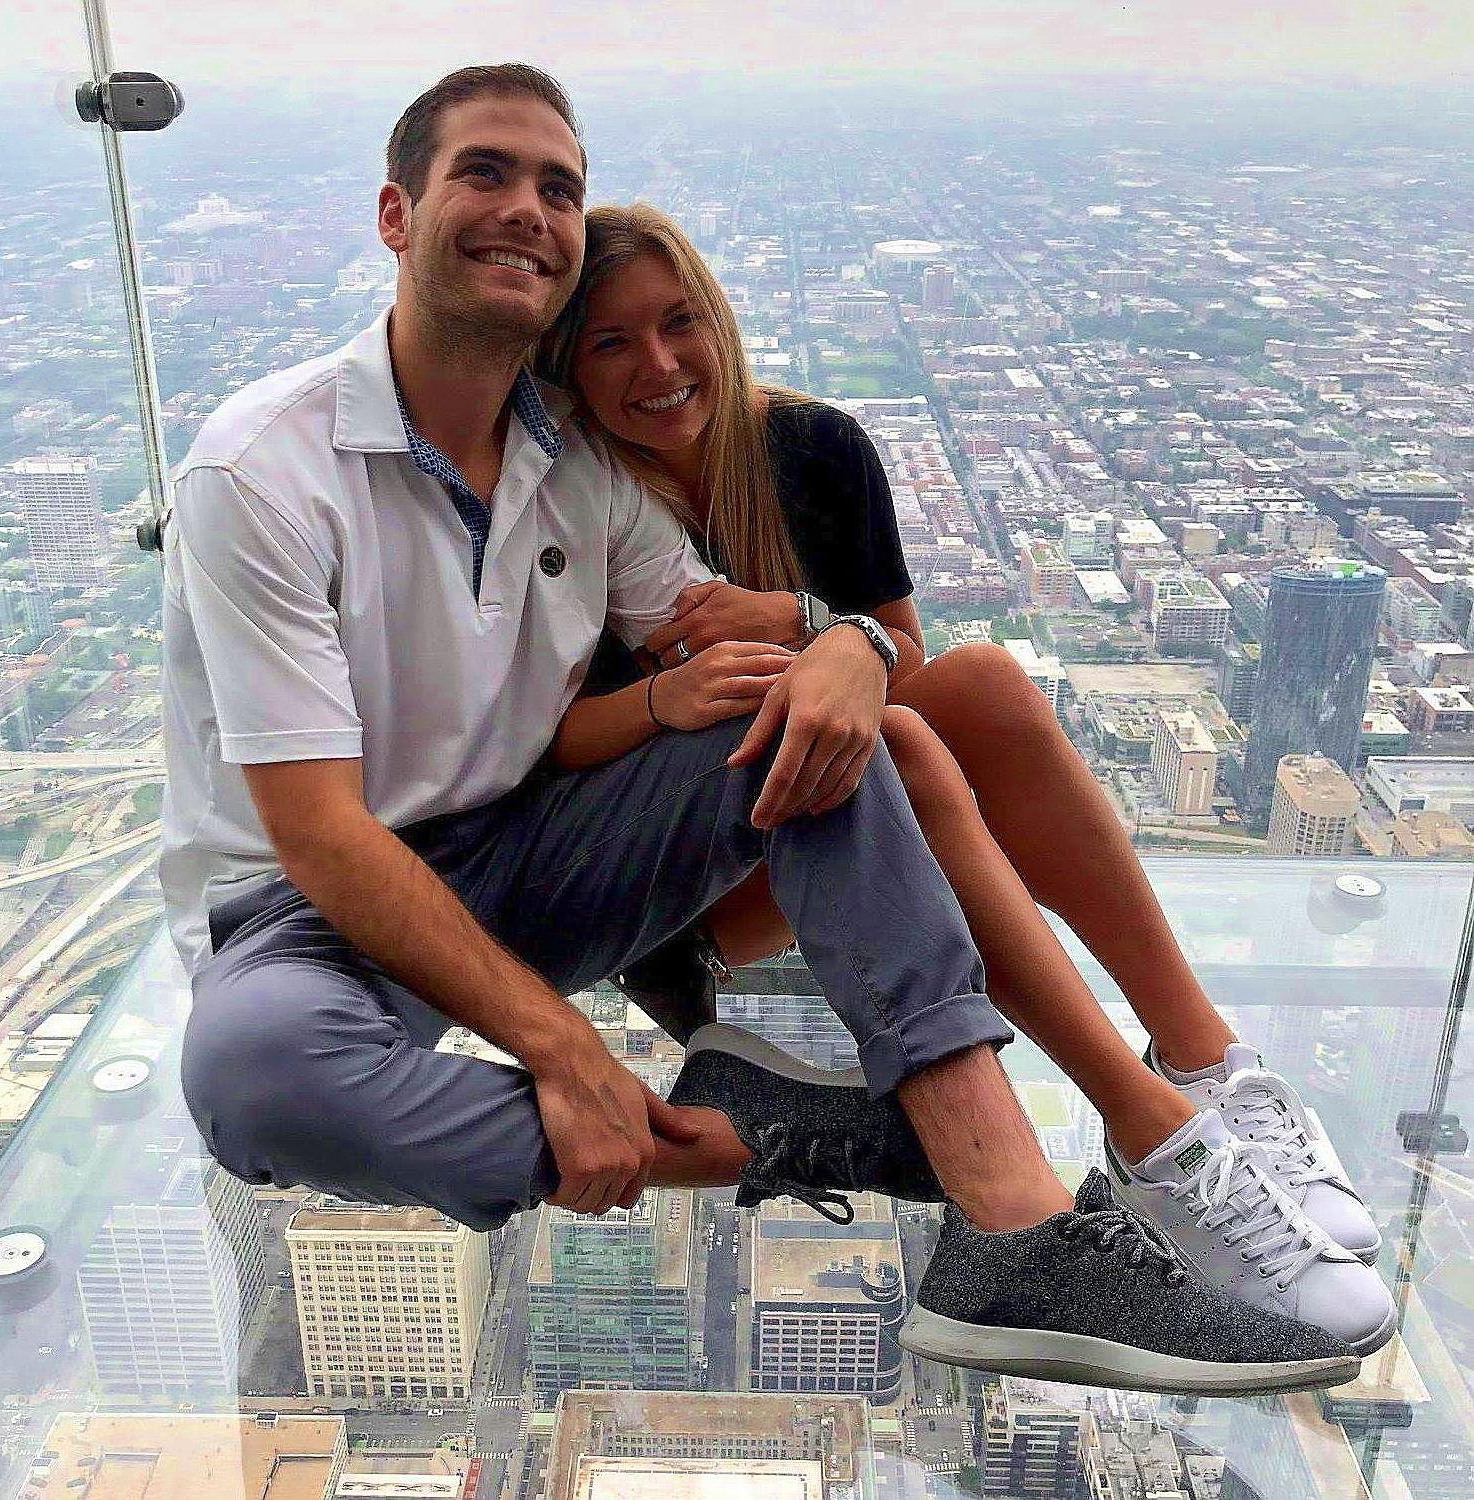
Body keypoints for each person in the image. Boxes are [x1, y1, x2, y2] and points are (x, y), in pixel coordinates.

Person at [160, 62, 1370, 1394]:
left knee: (838, 726)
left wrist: (847, 644)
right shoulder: (263, 471)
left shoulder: (579, 472)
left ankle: (1017, 1219)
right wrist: (563, 1051)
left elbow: (734, 639)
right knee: (252, 1078)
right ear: (396, 214)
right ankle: (825, 1134)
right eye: (484, 174)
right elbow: (321, 836)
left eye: (557, 187)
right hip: (309, 915)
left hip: (531, 857)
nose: (527, 210)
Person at [541, 201, 1395, 1356]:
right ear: (566, 366)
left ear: (718, 319)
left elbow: (900, 650)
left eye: (678, 322)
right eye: (611, 342)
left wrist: (810, 626)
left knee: (984, 683)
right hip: (688, 892)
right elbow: (538, 752)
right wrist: (683, 690)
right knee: (901, 745)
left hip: (825, 813)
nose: (659, 363)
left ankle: (1204, 1066)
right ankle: (1154, 1135)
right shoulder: (570, 502)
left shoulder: (811, 448)